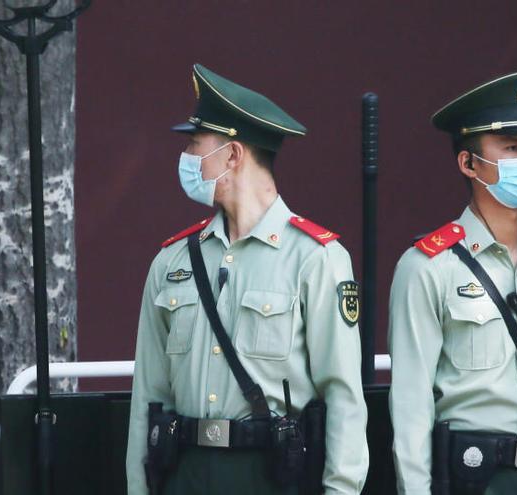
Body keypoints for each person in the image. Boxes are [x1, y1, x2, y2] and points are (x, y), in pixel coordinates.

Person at [126, 63, 369, 495]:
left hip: (270, 474)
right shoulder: (172, 261)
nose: (187, 159)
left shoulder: (316, 258)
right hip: (184, 472)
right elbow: (148, 397)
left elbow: (344, 397)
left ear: (233, 155)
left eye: (196, 145)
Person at [388, 71, 517, 495]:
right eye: (512, 147)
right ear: (469, 163)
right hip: (471, 478)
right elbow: (410, 406)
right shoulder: (428, 267)